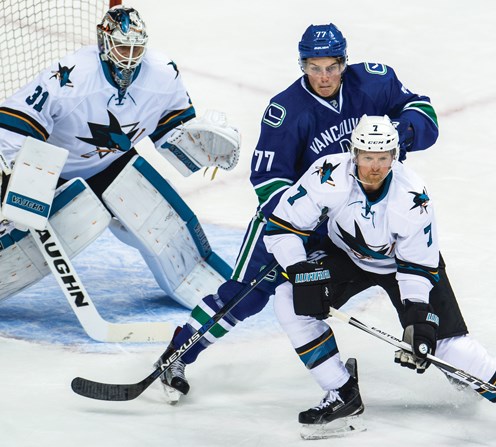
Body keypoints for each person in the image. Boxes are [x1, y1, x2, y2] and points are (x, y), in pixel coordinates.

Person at [153, 23, 440, 400]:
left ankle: (421, 357)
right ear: (302, 64)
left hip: (350, 221)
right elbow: (268, 181)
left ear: (344, 62)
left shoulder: (373, 82)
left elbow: (424, 112)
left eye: (332, 67)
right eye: (314, 67)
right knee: (246, 296)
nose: (324, 77)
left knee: (371, 287)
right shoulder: (286, 111)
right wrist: (296, 227)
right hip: (294, 220)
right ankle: (178, 353)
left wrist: (400, 133)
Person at [264, 115, 496, 446]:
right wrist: (300, 271)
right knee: (287, 300)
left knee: (454, 350)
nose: (374, 166)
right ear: (353, 153)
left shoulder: (411, 197)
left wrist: (419, 318)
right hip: (347, 257)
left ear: (394, 156)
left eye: (383, 158)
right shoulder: (327, 174)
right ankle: (341, 390)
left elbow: (416, 267)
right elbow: (282, 227)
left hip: (406, 268)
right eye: (367, 157)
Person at [0, 6, 240, 309]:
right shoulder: (69, 76)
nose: (129, 56)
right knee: (30, 242)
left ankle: (212, 289)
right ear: (104, 42)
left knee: (165, 225)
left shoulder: (164, 74)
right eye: (122, 46)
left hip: (113, 165)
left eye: (136, 48)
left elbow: (172, 132)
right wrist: (14, 174)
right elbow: (15, 122)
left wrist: (203, 144)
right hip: (55, 171)